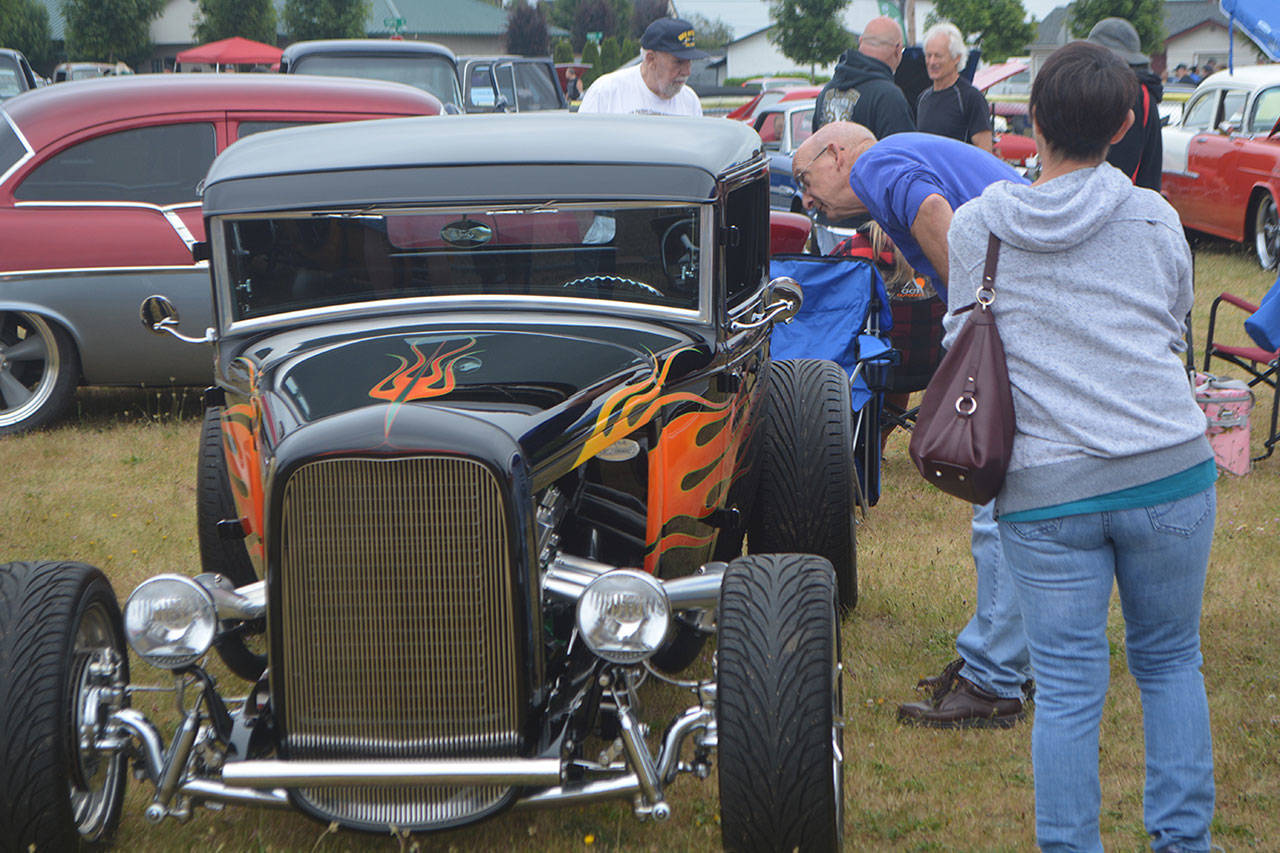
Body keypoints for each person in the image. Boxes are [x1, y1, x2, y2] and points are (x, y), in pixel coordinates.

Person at [945, 40, 1216, 851]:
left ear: (1029, 118)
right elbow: (1172, 324)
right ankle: (1184, 841)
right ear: (1129, 122)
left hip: (1043, 489)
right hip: (1169, 469)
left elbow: (964, 339)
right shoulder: (1154, 216)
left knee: (1066, 690)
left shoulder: (976, 226)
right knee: (1171, 664)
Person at [793, 123, 1035, 727]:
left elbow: (932, 209)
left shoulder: (875, 165)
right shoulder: (897, 162)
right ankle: (1007, 659)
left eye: (805, 179)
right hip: (1035, 300)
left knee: (994, 494)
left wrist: (976, 313)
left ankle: (994, 682)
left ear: (837, 153)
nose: (806, 200)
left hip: (1013, 315)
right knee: (1020, 490)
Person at [1087, 17, 1164, 190]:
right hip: (1136, 199)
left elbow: (1121, 165)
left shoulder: (1129, 94)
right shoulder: (1140, 91)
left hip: (1123, 202)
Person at [577, 17, 707, 116]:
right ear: (650, 59)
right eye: (678, 62)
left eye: (689, 62)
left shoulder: (690, 102)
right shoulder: (606, 93)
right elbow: (581, 145)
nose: (687, 71)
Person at [812, 15, 914, 138]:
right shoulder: (889, 97)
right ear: (897, 49)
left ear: (860, 41)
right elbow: (902, 152)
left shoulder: (826, 92)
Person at [916, 22, 992, 152]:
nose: (932, 62)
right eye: (929, 55)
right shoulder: (923, 99)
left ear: (956, 58)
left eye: (938, 56)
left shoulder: (971, 98)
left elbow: (985, 153)